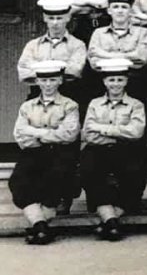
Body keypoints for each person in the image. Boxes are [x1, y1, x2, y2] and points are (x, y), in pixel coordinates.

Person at [9, 60, 80, 245]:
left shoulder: (70, 105)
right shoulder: (27, 107)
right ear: (37, 82)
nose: (48, 85)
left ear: (60, 81)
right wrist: (51, 134)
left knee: (56, 177)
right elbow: (20, 135)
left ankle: (37, 227)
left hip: (60, 152)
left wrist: (36, 133)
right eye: (44, 81)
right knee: (18, 180)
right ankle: (41, 226)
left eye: (53, 80)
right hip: (33, 152)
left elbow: (69, 134)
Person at [80, 58, 146, 241]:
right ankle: (112, 221)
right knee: (89, 171)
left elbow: (136, 132)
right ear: (104, 82)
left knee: (134, 174)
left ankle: (109, 220)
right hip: (98, 149)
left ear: (126, 81)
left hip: (127, 150)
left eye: (119, 80)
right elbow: (88, 134)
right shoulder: (94, 104)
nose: (115, 84)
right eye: (111, 80)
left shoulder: (136, 105)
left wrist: (104, 129)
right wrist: (120, 132)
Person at [18, 0, 87, 101]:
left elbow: (75, 70)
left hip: (68, 96)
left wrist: (39, 69)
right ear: (45, 18)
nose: (55, 23)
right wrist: (61, 69)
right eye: (51, 18)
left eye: (59, 18)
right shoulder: (33, 45)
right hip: (37, 97)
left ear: (67, 18)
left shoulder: (77, 45)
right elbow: (24, 72)